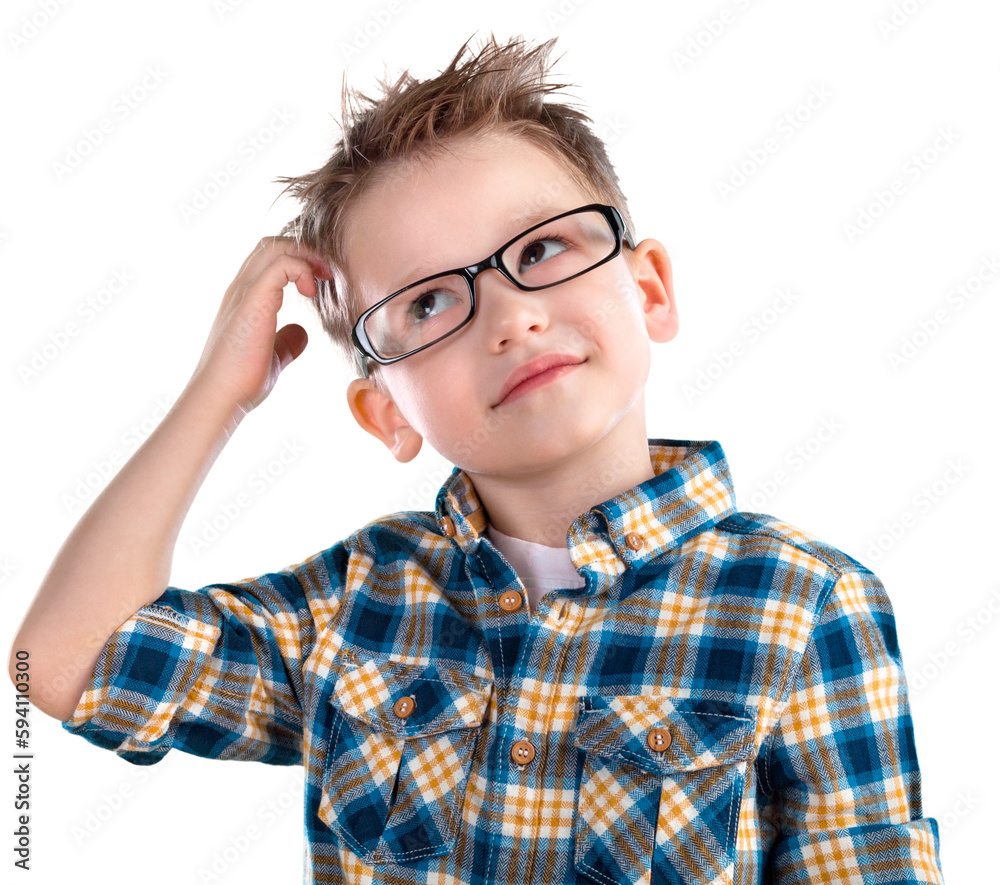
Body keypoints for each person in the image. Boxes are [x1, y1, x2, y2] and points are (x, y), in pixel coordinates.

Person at [9, 34, 944, 885]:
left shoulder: (808, 603)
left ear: (649, 288)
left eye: (540, 248)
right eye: (426, 304)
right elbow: (61, 663)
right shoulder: (358, 599)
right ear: (386, 413)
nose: (509, 317)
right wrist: (219, 393)